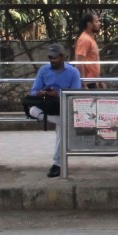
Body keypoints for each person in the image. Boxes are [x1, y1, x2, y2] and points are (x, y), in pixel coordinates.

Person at [29, 42, 82, 177]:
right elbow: (33, 91)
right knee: (32, 110)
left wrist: (58, 94)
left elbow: (75, 94)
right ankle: (61, 122)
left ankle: (57, 163)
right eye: (50, 58)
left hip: (63, 106)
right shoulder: (44, 70)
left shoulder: (73, 72)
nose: (52, 61)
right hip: (46, 105)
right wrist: (41, 93)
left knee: (62, 127)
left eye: (55, 58)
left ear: (62, 57)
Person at [74, 11, 103, 89]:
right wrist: (83, 82)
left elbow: (93, 60)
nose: (99, 23)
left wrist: (99, 80)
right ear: (89, 24)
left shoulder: (90, 38)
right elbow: (80, 62)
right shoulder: (84, 39)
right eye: (96, 21)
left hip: (92, 80)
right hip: (88, 82)